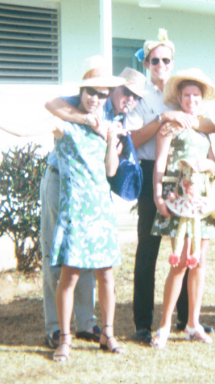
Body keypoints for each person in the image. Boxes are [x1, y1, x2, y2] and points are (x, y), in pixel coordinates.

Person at [0, 60, 129, 360]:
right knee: (68, 278)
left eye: (101, 94)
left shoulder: (107, 126)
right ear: (80, 92)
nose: (95, 99)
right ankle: (64, 339)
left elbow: (111, 171)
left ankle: (108, 334)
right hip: (75, 211)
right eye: (90, 92)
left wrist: (112, 138)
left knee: (106, 277)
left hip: (101, 212)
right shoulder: (65, 124)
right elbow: (23, 130)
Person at [39, 64, 146, 349]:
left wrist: (110, 139)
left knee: (90, 259)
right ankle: (55, 328)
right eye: (127, 93)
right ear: (115, 88)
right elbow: (52, 105)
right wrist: (88, 120)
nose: (130, 100)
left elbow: (111, 165)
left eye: (137, 97)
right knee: (59, 258)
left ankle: (85, 323)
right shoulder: (89, 98)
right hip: (61, 181)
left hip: (93, 192)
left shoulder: (120, 118)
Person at [125, 29, 215, 343]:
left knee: (189, 249)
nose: (160, 65)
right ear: (147, 63)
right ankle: (143, 322)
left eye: (166, 60)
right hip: (153, 171)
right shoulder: (141, 98)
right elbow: (134, 140)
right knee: (149, 250)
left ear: (172, 63)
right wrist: (164, 118)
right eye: (155, 60)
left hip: (189, 178)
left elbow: (206, 126)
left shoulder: (184, 93)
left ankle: (187, 319)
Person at [149, 69, 215, 348]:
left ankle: (193, 322)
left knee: (199, 263)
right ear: (179, 98)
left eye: (196, 95)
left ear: (202, 99)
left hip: (201, 201)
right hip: (178, 200)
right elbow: (160, 163)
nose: (192, 100)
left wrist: (210, 165)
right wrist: (158, 196)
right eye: (187, 95)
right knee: (179, 263)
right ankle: (164, 326)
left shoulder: (204, 130)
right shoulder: (169, 127)